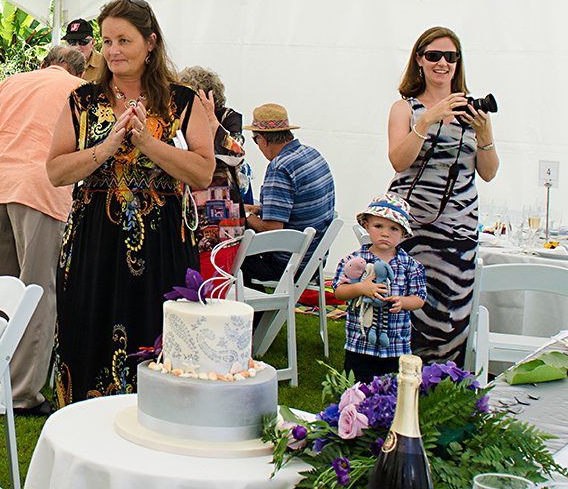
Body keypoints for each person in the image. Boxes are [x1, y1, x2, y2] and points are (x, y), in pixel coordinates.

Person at [46, 0, 215, 406]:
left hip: (162, 242)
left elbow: (202, 172)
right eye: (106, 41)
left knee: (156, 326)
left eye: (124, 40)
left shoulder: (183, 101)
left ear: (151, 42)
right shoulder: (82, 100)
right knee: (90, 325)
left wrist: (145, 141)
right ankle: (85, 424)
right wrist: (105, 149)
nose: (113, 50)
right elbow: (55, 172)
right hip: (93, 239)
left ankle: (162, 417)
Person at [0, 45, 84, 415]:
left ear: (44, 63)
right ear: (77, 70)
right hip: (42, 188)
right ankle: (21, 393)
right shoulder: (79, 91)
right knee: (35, 290)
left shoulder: (10, 83)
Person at [387, 26, 498, 366]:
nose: (442, 63)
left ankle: (446, 388)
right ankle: (398, 388)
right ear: (419, 60)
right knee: (409, 307)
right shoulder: (404, 108)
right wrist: (430, 118)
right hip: (414, 228)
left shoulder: (470, 112)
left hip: (459, 229)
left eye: (450, 57)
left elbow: (489, 172)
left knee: (451, 312)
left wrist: (484, 134)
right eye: (434, 55)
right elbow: (398, 160)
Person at [334, 193, 427, 383]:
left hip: (396, 345)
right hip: (359, 344)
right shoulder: (354, 261)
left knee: (391, 393)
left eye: (393, 228)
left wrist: (403, 302)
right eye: (378, 226)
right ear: (366, 226)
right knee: (358, 391)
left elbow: (419, 298)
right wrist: (361, 288)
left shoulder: (411, 266)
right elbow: (338, 291)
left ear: (403, 233)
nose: (385, 233)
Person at [242, 103, 335, 285]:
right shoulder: (311, 154)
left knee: (227, 256)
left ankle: (252, 311)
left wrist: (241, 213)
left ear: (263, 139)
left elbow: (272, 230)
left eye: (255, 140)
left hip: (290, 263)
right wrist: (255, 209)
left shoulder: (279, 167)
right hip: (314, 260)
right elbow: (298, 206)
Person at [177, 65, 251, 247]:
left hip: (222, 213)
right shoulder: (180, 119)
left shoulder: (227, 117)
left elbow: (236, 154)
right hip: (187, 207)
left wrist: (211, 120)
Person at [63, 17, 103, 82]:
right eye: (72, 42)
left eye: (82, 42)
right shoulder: (58, 64)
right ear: (66, 43)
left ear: (92, 42)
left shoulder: (105, 64)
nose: (77, 46)